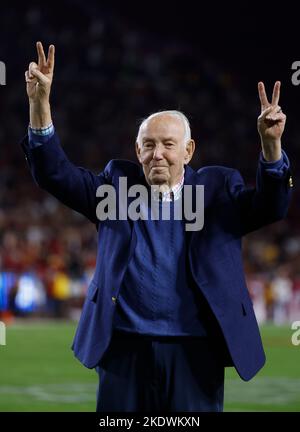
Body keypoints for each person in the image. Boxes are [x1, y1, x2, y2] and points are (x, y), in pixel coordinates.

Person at [21, 41, 293, 412]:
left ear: (188, 151)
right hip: (124, 351)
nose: (157, 153)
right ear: (137, 152)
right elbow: (55, 174)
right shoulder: (115, 188)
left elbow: (272, 206)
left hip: (196, 352)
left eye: (168, 144)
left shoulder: (217, 191)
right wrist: (40, 106)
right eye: (148, 144)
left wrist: (271, 148)